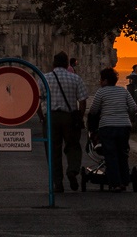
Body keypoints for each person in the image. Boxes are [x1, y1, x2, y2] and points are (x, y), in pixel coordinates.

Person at [40, 51, 87, 193]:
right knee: (73, 146)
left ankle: (58, 183)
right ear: (67, 64)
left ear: (53, 63)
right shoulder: (75, 78)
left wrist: (42, 118)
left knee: (53, 150)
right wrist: (79, 115)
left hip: (51, 116)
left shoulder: (45, 78)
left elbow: (37, 100)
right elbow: (83, 101)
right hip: (70, 117)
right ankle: (72, 170)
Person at [88, 66, 137, 191]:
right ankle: (125, 180)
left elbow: (93, 110)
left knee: (111, 154)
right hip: (124, 126)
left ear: (105, 81)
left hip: (107, 126)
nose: (100, 82)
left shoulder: (101, 92)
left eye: (101, 80)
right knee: (123, 153)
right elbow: (133, 107)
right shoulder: (123, 91)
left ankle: (115, 182)